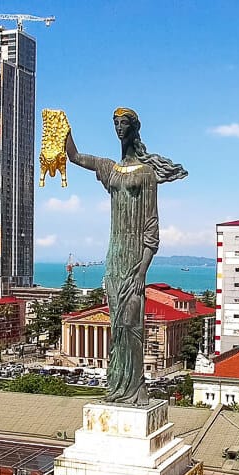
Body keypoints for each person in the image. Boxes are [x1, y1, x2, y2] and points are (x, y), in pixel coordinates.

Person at [65, 108, 187, 405]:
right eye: (116, 123)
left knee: (131, 323)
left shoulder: (146, 174)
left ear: (135, 127)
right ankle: (118, 387)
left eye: (124, 123)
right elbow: (75, 156)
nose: (119, 128)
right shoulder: (110, 169)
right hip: (115, 255)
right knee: (117, 324)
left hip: (134, 258)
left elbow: (152, 226)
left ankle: (135, 388)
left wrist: (142, 270)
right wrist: (61, 127)